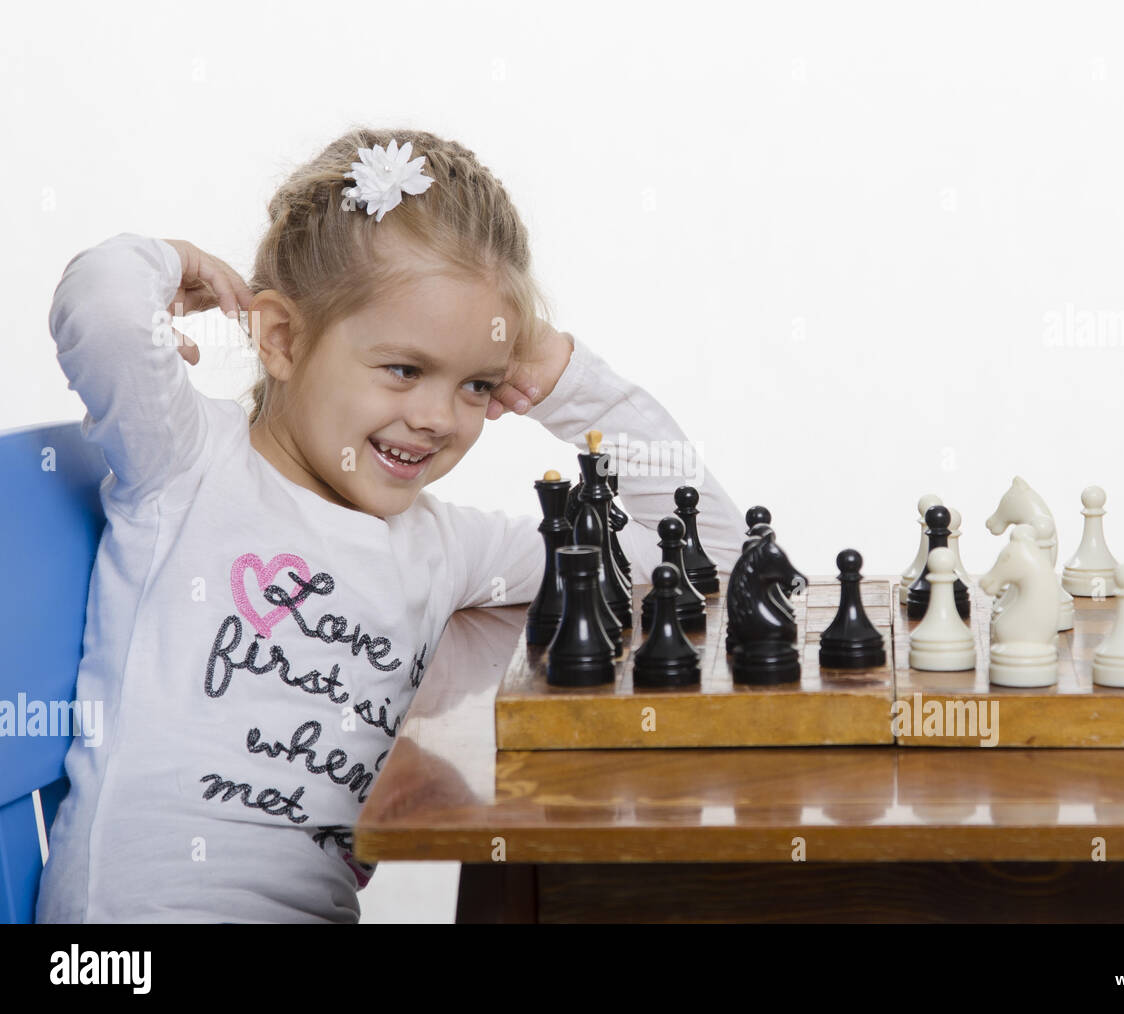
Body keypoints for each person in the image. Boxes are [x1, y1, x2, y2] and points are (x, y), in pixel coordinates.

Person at [36, 127, 746, 923]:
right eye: (405, 370)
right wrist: (177, 261)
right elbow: (99, 307)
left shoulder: (445, 549)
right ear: (281, 337)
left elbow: (705, 558)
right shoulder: (188, 463)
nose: (438, 417)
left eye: (477, 385)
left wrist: (567, 378)